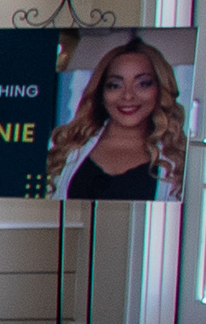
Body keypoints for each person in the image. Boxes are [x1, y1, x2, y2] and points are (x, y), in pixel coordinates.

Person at [55, 33, 186, 202]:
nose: (128, 96)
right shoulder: (66, 147)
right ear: (101, 92)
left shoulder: (180, 159)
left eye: (143, 83)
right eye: (115, 85)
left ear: (160, 90)